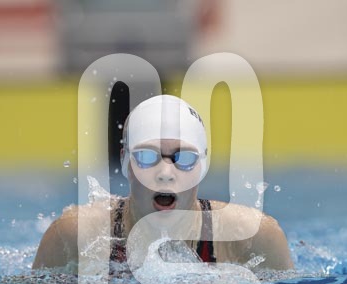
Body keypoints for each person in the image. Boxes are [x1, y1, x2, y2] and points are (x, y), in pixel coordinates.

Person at [33, 95, 293, 271]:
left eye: (184, 158)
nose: (166, 173)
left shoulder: (252, 237)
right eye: (146, 157)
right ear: (125, 162)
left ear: (203, 165)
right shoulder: (76, 236)